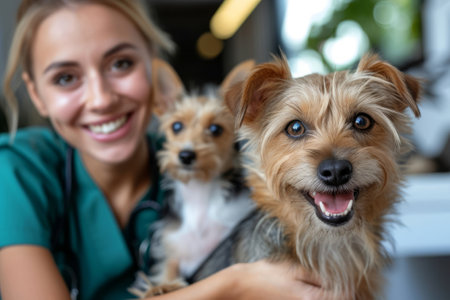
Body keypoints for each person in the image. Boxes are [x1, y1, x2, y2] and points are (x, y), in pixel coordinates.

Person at [0, 1, 336, 299]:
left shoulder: (214, 169)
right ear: (36, 94)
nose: (101, 99)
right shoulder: (15, 172)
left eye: (120, 64)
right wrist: (234, 283)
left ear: (151, 64)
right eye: (65, 78)